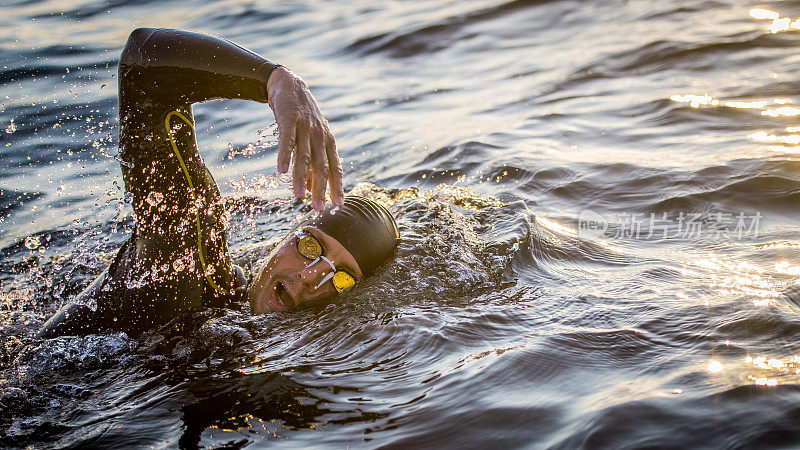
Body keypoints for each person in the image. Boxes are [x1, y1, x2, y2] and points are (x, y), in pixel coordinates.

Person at [38, 28, 399, 338]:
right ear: (287, 238)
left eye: (341, 279)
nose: (309, 278)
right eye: (309, 248)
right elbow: (141, 61)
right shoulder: (187, 264)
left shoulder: (238, 313)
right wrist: (275, 81)